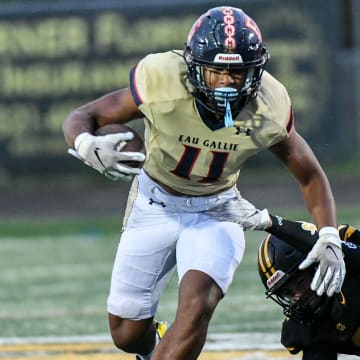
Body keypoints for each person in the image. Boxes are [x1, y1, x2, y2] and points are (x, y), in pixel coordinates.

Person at [62, 6, 345, 360]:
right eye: (216, 71)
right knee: (127, 335)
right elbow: (83, 116)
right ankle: (154, 345)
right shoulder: (162, 79)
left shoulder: (268, 107)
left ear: (255, 72)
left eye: (237, 73)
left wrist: (329, 236)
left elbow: (310, 174)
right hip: (153, 203)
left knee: (198, 304)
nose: (226, 82)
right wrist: (87, 143)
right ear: (193, 66)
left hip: (219, 209)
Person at [258, 216, 360, 359]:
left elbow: (351, 255)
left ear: (319, 263)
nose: (297, 296)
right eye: (287, 293)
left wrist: (271, 223)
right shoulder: (304, 325)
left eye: (299, 282)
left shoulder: (350, 262)